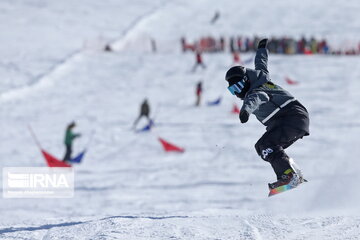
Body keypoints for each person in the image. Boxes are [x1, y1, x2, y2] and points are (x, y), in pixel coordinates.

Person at [225, 38, 310, 190]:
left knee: (267, 145)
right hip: (291, 119)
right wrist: (262, 48)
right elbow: (261, 62)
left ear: (245, 81)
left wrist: (245, 111)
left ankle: (289, 176)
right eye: (232, 91)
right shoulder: (261, 76)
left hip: (291, 117)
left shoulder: (257, 91)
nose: (237, 93)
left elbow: (256, 99)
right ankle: (290, 172)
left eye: (237, 88)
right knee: (262, 147)